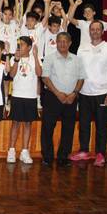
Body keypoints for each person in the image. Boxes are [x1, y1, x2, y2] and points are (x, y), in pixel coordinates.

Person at [71, 21, 107, 167]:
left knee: (101, 125)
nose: (95, 31)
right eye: (92, 29)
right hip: (84, 93)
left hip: (102, 94)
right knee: (84, 124)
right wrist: (76, 90)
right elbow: (78, 70)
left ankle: (100, 154)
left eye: (98, 29)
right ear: (89, 31)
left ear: (103, 31)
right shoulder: (82, 48)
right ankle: (84, 151)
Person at [41, 32, 86, 166]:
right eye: (59, 41)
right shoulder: (49, 58)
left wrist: (74, 94)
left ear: (70, 43)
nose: (62, 43)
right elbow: (45, 77)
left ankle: (63, 157)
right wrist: (57, 93)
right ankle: (47, 157)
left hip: (71, 98)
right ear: (56, 42)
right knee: (48, 128)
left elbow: (81, 78)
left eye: (65, 41)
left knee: (68, 128)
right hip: (53, 97)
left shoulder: (77, 59)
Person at [7, 36, 41, 164]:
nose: (19, 47)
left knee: (27, 124)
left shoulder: (34, 59)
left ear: (29, 47)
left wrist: (36, 56)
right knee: (15, 123)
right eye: (19, 44)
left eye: (22, 44)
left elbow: (39, 73)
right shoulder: (13, 58)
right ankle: (11, 151)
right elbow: (11, 74)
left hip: (30, 96)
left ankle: (24, 152)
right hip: (17, 95)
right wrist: (16, 60)